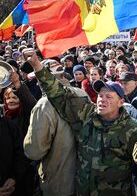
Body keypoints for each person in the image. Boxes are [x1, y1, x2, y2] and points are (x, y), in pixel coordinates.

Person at [23, 48, 137, 195]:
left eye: (109, 97)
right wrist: (37, 66)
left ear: (120, 102)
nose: (102, 100)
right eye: (100, 96)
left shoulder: (131, 130)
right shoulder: (87, 115)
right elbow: (59, 94)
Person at [24, 68, 88, 196]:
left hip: (59, 183)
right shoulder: (83, 94)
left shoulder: (44, 104)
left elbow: (34, 151)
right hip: (85, 179)